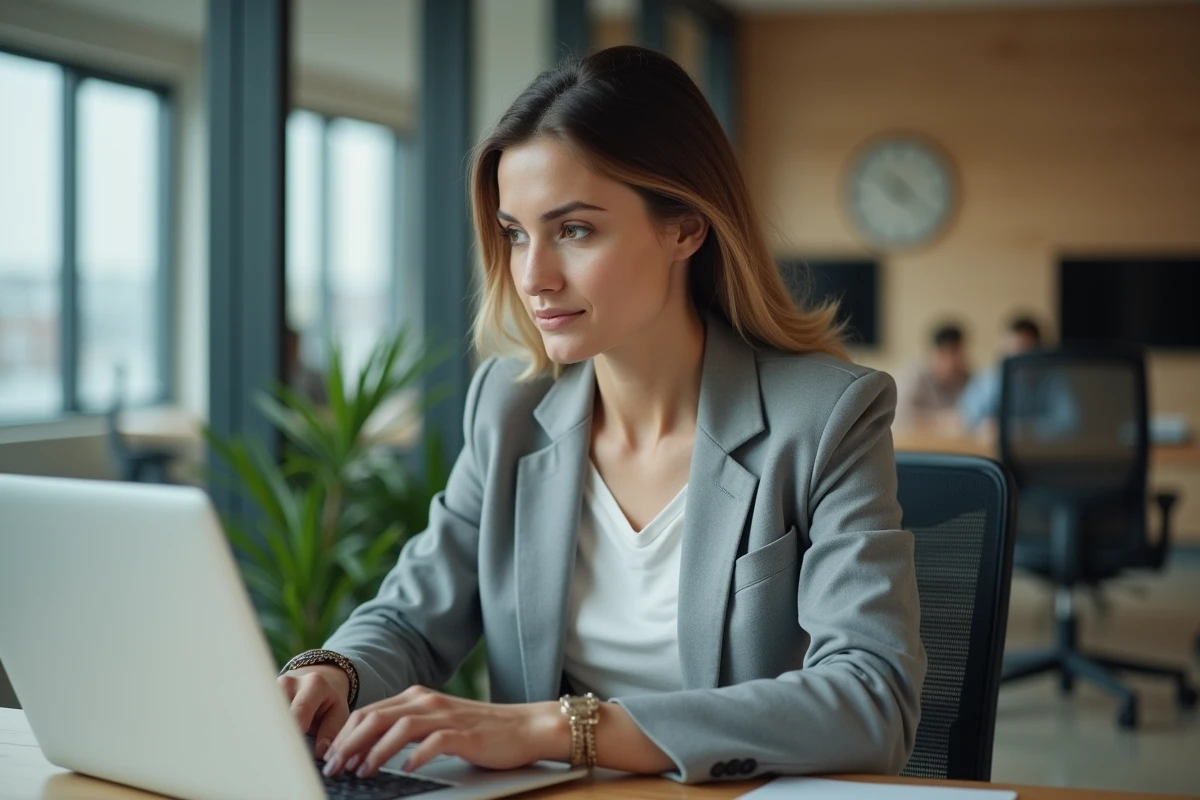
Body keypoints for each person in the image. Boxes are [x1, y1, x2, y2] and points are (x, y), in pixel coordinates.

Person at [276, 45, 925, 785]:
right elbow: (411, 618)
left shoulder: (826, 419)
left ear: (685, 227)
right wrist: (330, 673)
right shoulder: (510, 408)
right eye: (516, 232)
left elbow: (873, 701)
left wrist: (559, 726)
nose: (533, 276)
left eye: (575, 230)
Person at [959, 315, 1043, 432]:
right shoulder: (988, 377)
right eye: (1011, 348)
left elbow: (1067, 422)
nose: (1015, 355)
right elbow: (965, 416)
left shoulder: (1052, 379)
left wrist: (1021, 428)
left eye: (1023, 349)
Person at [894, 322, 971, 430]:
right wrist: (943, 421)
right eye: (946, 354)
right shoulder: (913, 375)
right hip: (915, 444)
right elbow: (899, 415)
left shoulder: (968, 378)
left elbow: (973, 418)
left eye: (957, 354)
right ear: (933, 353)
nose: (952, 361)